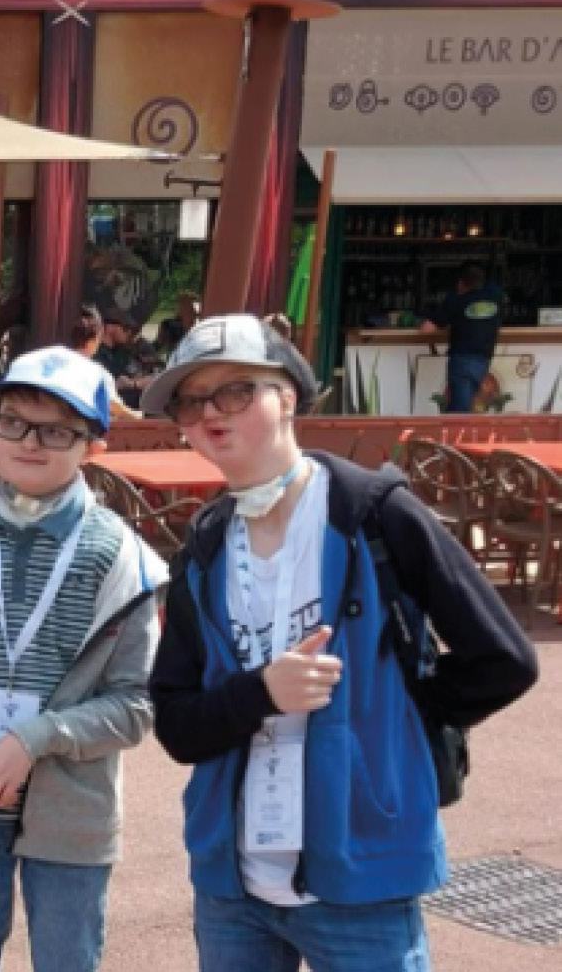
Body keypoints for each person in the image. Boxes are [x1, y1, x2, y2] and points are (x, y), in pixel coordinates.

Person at [139, 314, 538, 972]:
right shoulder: (203, 547)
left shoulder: (375, 512)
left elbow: (504, 658)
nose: (210, 410)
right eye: (191, 398)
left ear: (289, 395)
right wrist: (261, 692)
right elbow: (178, 722)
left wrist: (394, 723)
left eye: (236, 389)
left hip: (362, 878)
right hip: (232, 886)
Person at [0, 346, 166, 972]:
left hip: (70, 809)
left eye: (56, 430)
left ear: (92, 446)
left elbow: (138, 703)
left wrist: (35, 739)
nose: (30, 441)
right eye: (15, 421)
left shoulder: (124, 560)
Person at [419, 262, 504, 413]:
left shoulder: (457, 300)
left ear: (460, 283)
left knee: (459, 412)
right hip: (483, 361)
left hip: (462, 360)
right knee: (466, 409)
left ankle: (455, 436)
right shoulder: (494, 296)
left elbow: (427, 329)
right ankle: (462, 435)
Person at [67, 307, 140, 421]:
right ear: (95, 340)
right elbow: (114, 406)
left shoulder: (50, 363)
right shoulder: (97, 373)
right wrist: (138, 416)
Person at [94, 311, 162, 412]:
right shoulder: (96, 352)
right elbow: (112, 383)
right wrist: (135, 383)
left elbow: (130, 373)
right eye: (126, 328)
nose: (129, 333)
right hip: (110, 403)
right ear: (110, 328)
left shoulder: (121, 352)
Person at [155, 290, 200, 359]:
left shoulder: (201, 325)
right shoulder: (168, 324)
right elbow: (157, 345)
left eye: (186, 305)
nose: (181, 307)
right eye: (181, 304)